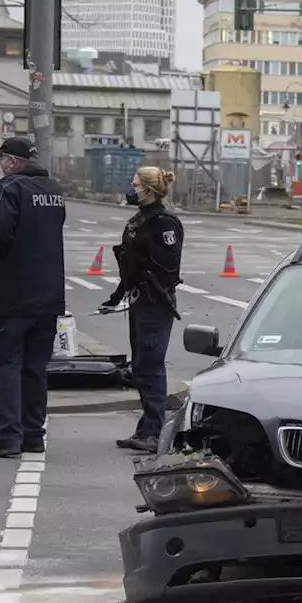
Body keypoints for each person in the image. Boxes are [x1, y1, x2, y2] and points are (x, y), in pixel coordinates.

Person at [0, 137, 66, 458]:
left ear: (11, 161)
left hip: (13, 293)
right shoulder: (54, 191)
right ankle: (33, 435)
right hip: (49, 295)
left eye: (1, 160)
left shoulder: (7, 189)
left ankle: (8, 437)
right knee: (36, 367)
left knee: (6, 363)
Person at [101, 167, 182, 453]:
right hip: (139, 301)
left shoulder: (164, 223)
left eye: (135, 184)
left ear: (149, 189)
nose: (130, 188)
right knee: (142, 366)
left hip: (155, 303)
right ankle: (147, 426)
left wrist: (143, 253)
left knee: (151, 367)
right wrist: (116, 296)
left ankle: (155, 431)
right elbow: (130, 267)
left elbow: (168, 268)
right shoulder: (139, 220)